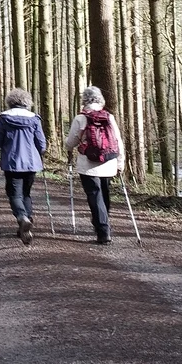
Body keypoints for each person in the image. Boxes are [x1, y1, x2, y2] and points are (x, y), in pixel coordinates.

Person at [64, 86, 124, 245]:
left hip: (88, 165)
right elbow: (118, 141)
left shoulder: (81, 118)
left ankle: (103, 229)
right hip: (109, 162)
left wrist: (68, 147)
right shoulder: (109, 117)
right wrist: (120, 162)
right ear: (100, 99)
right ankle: (102, 223)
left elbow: (70, 142)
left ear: (84, 99)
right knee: (104, 194)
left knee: (94, 195)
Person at [0, 88, 47, 245]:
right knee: (26, 194)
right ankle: (26, 224)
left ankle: (22, 218)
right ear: (27, 102)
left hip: (12, 162)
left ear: (10, 101)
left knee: (14, 194)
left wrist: (0, 144)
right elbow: (41, 143)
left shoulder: (4, 118)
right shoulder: (34, 119)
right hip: (31, 163)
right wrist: (40, 152)